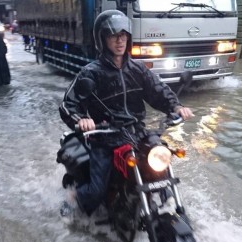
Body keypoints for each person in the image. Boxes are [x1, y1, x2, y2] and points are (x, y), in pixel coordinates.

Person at [59, 10, 194, 216]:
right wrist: (82, 120)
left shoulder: (137, 69)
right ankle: (75, 197)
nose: (120, 40)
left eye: (123, 35)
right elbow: (68, 105)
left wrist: (176, 107)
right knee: (96, 190)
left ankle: (165, 205)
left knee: (161, 166)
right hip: (104, 138)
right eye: (113, 35)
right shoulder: (91, 73)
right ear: (102, 38)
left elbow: (158, 90)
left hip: (136, 133)